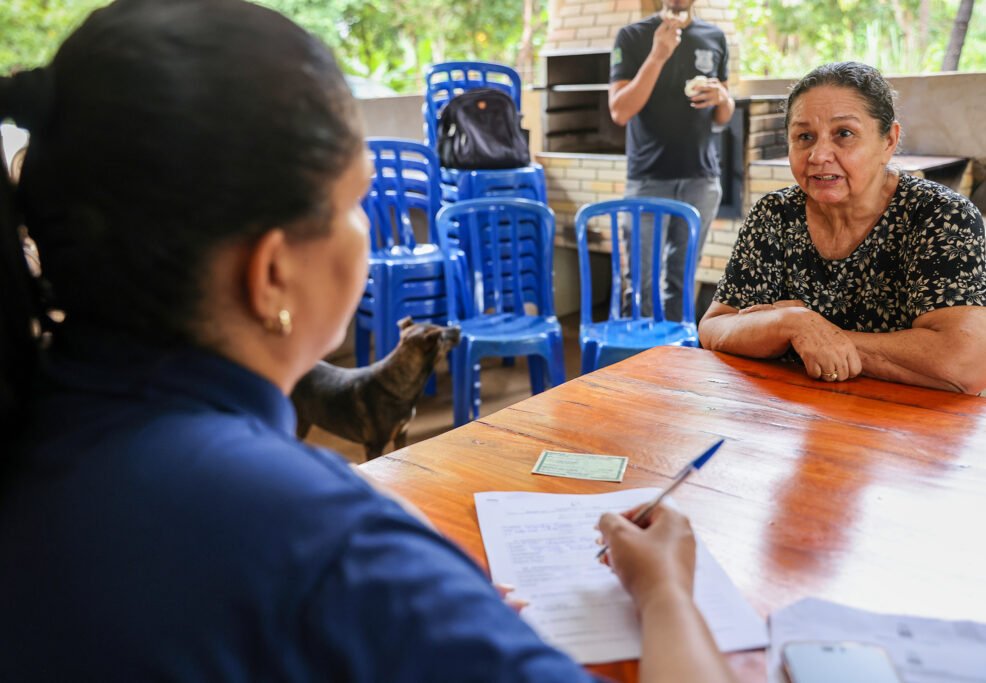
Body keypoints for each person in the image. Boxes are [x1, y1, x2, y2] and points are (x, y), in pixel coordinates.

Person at [0, 1, 735, 680]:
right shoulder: (321, 541)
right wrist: (665, 588)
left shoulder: (41, 422)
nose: (366, 224)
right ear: (272, 272)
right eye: (355, 200)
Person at [699, 62, 986, 395]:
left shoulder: (938, 214)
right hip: (791, 420)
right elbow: (715, 328)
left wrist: (811, 336)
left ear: (888, 141)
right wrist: (792, 322)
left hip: (906, 427)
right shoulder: (775, 214)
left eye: (844, 134)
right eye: (804, 137)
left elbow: (968, 364)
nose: (818, 154)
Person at [609, 0, 735, 322]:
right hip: (648, 179)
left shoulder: (714, 37)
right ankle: (636, 364)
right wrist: (658, 55)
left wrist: (723, 97)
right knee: (639, 283)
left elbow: (722, 116)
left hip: (701, 181)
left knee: (682, 280)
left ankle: (678, 361)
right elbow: (620, 111)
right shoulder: (632, 36)